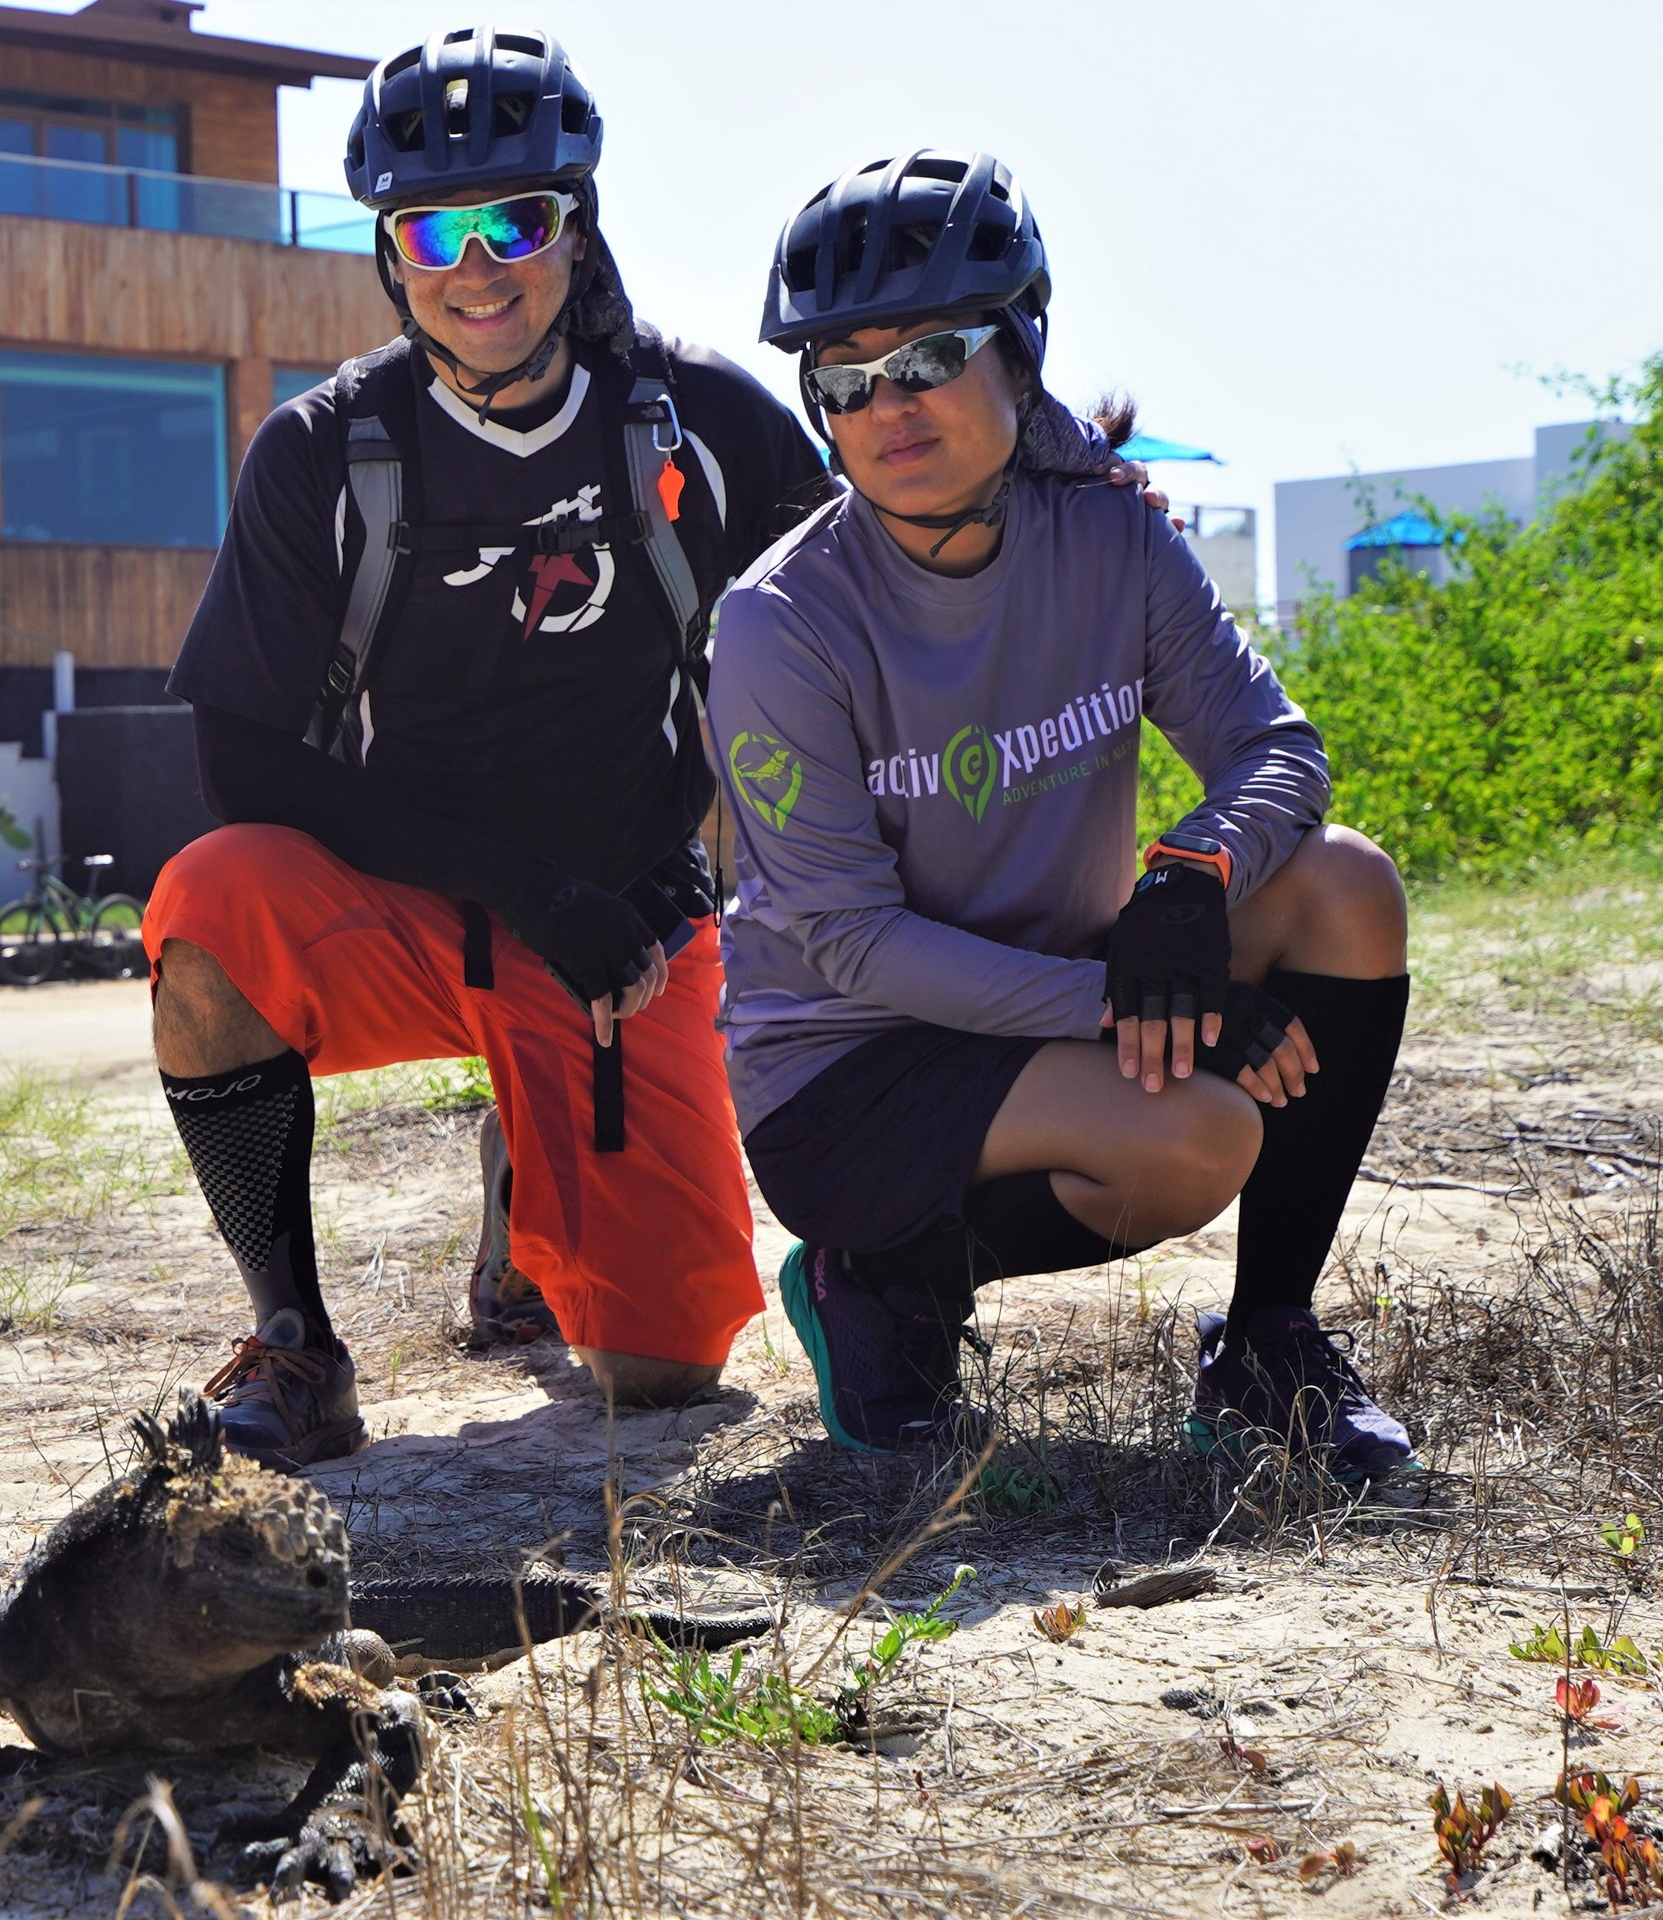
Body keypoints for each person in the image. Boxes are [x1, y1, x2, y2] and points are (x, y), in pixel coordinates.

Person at [139, 25, 839, 1471]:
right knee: (209, 902)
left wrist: (688, 869)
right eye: (434, 228)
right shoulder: (326, 451)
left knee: (664, 1373)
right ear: (390, 254)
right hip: (418, 904)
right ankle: (294, 1343)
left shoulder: (699, 420)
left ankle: (527, 1208)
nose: (480, 263)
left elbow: (843, 639)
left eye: (518, 220)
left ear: (576, 234)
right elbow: (242, 762)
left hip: (625, 931)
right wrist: (525, 891)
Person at [710, 150, 1415, 1480]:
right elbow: (853, 947)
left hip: (1046, 981)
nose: (886, 406)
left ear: (1019, 347)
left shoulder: (1112, 538)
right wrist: (1144, 1008)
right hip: (853, 1068)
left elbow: (1274, 748)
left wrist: (1193, 876)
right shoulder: (780, 623)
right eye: (843, 379)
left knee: (1347, 887)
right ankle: (880, 1286)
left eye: (928, 356)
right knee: (1199, 1138)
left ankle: (1267, 1343)